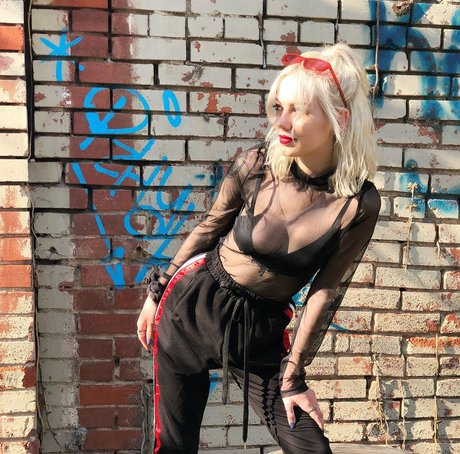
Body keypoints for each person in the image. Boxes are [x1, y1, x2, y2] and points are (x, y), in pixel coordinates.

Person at [137, 42, 381, 454]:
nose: (281, 122)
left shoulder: (359, 204)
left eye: (298, 110)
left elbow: (325, 290)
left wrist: (294, 375)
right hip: (192, 308)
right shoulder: (256, 165)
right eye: (278, 107)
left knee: (310, 448)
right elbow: (209, 228)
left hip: (258, 333)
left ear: (338, 119)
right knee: (175, 449)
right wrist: (155, 295)